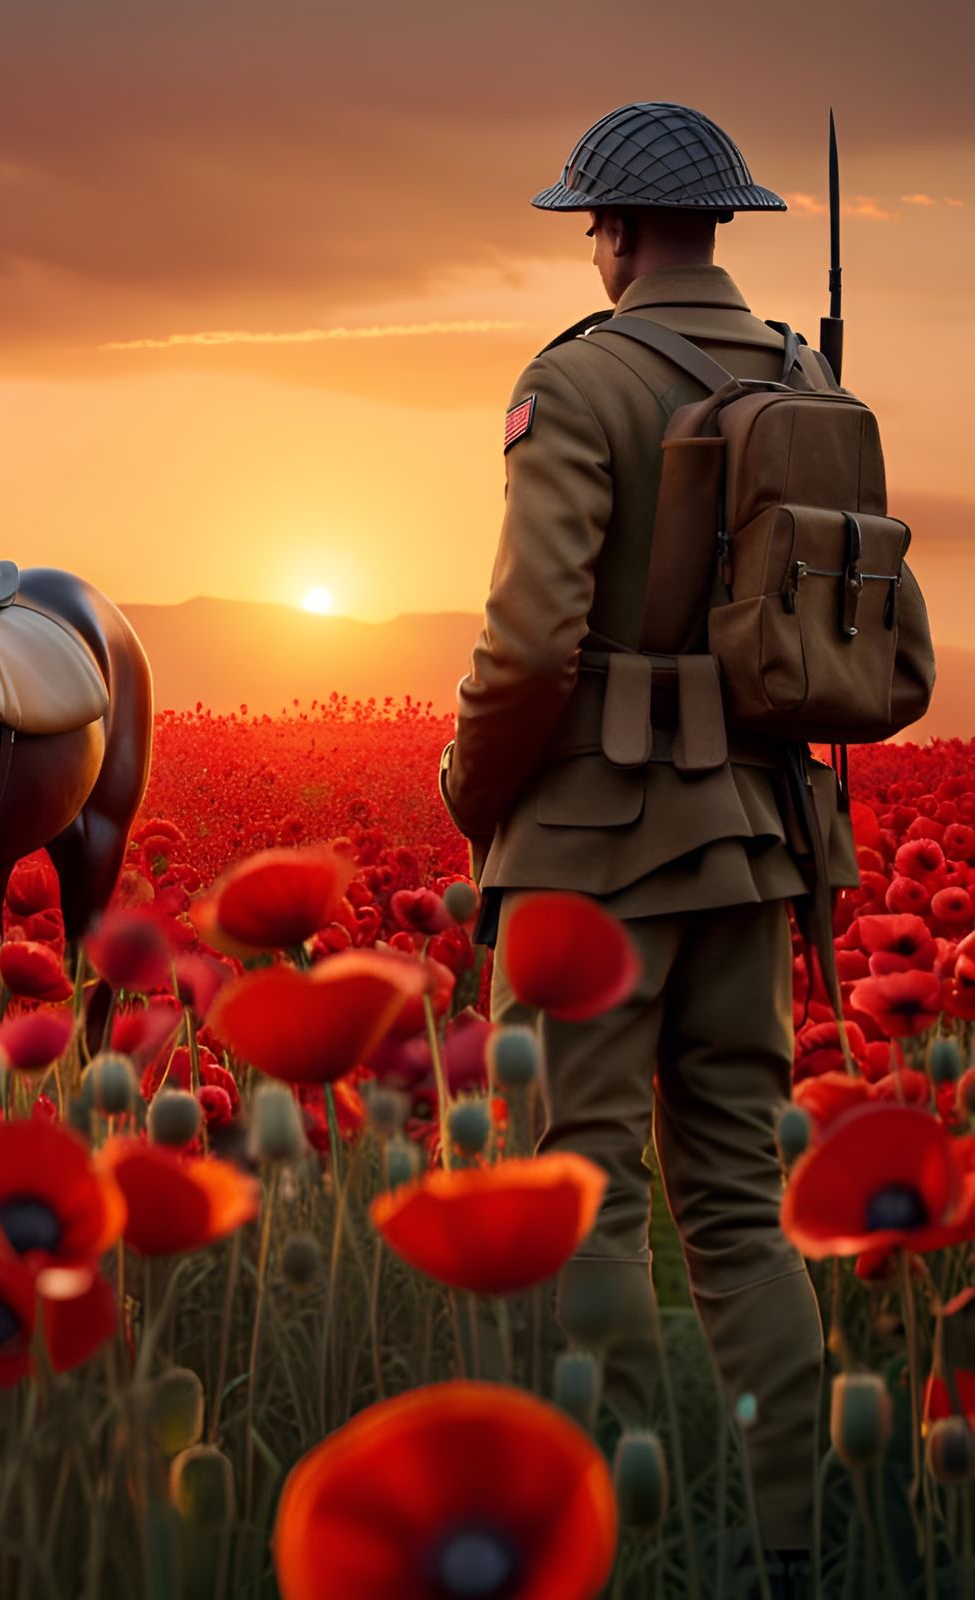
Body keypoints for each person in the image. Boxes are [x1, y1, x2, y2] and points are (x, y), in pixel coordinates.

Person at [438, 102, 858, 1579]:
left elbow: (532, 639)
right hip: (758, 841)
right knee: (742, 1212)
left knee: (590, 1195)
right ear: (722, 227)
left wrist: (470, 790)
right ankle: (786, 1544)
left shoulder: (582, 381)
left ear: (607, 234)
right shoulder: (803, 375)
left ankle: (615, 1540)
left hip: (594, 855)